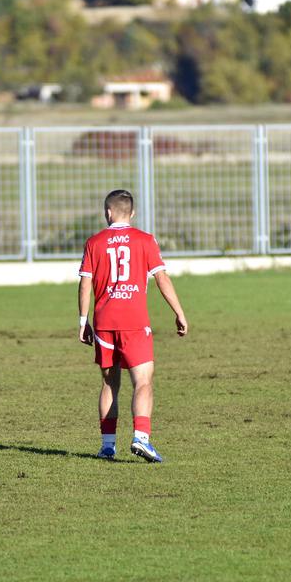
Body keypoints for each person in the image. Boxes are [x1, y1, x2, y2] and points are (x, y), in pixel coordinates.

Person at [78, 189, 187, 463]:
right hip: (135, 322)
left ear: (108, 212)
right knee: (143, 381)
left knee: (109, 383)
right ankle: (141, 438)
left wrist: (83, 320)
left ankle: (107, 446)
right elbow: (162, 279)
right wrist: (179, 312)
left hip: (104, 323)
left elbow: (85, 283)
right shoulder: (145, 240)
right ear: (133, 213)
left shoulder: (94, 242)